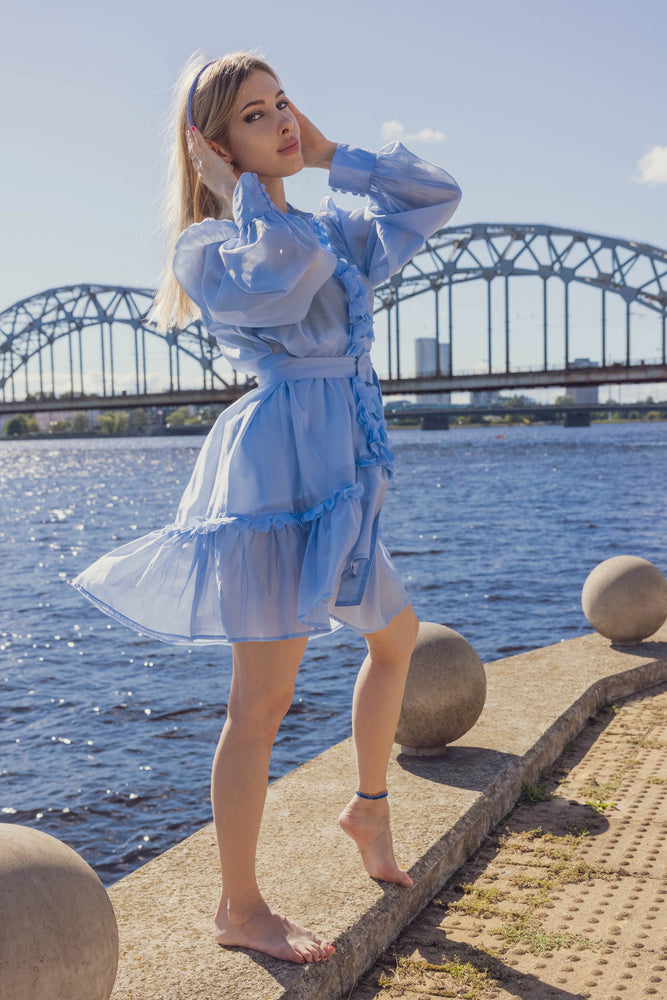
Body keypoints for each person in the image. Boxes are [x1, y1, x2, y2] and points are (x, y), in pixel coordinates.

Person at [73, 51, 461, 965]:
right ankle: (237, 907)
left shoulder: (327, 220)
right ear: (211, 147)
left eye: (283, 102)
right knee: (263, 701)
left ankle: (367, 813)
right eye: (256, 116)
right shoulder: (214, 249)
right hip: (282, 475)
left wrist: (335, 155)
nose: (283, 120)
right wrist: (240, 195)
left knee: (395, 636)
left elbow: (435, 195)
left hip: (344, 469)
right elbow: (283, 279)